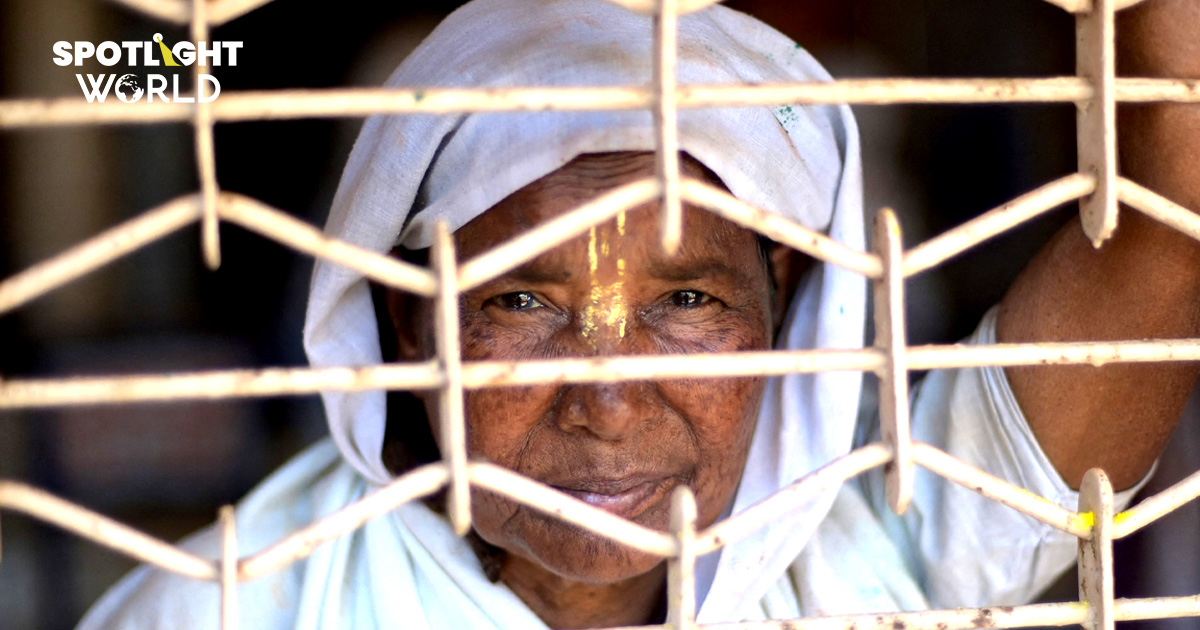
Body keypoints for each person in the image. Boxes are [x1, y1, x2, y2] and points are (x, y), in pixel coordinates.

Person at [78, 0, 1200, 628]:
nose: (607, 400)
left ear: (785, 310)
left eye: (685, 301)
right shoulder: (232, 610)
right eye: (520, 298)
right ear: (408, 328)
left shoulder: (877, 557)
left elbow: (1171, 219)